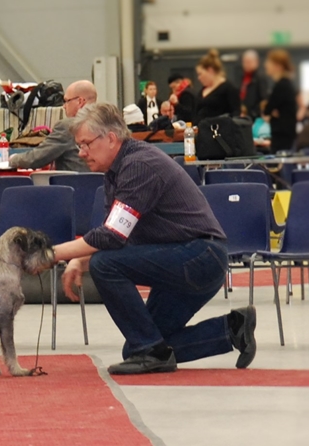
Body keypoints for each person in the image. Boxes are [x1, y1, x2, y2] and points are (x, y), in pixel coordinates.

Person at [53, 103, 256, 375]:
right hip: (189, 257)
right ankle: (232, 329)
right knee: (142, 348)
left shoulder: (138, 165)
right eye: (79, 146)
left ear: (110, 138)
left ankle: (151, 350)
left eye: (86, 144)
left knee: (104, 265)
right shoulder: (117, 171)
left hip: (199, 257)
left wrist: (52, 254)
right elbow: (117, 236)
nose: (81, 153)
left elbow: (112, 235)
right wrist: (79, 260)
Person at [8, 80, 93, 171]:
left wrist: (13, 159)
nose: (64, 106)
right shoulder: (102, 122)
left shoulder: (68, 126)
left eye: (66, 101)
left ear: (80, 101)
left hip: (74, 180)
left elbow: (37, 158)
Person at [263, 49, 298, 153]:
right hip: (283, 132)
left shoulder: (282, 85)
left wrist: (272, 112)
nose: (266, 65)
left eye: (269, 62)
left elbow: (267, 109)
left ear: (278, 66)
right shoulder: (283, 84)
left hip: (282, 134)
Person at [194, 49, 241, 124]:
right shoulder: (202, 90)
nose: (198, 78)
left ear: (210, 70)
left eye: (200, 74)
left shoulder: (229, 89)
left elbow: (235, 114)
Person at [240, 50, 268, 120]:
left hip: (255, 116)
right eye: (245, 62)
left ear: (256, 62)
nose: (247, 64)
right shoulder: (241, 77)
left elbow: (263, 98)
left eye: (249, 62)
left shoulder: (260, 78)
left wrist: (255, 113)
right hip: (243, 114)